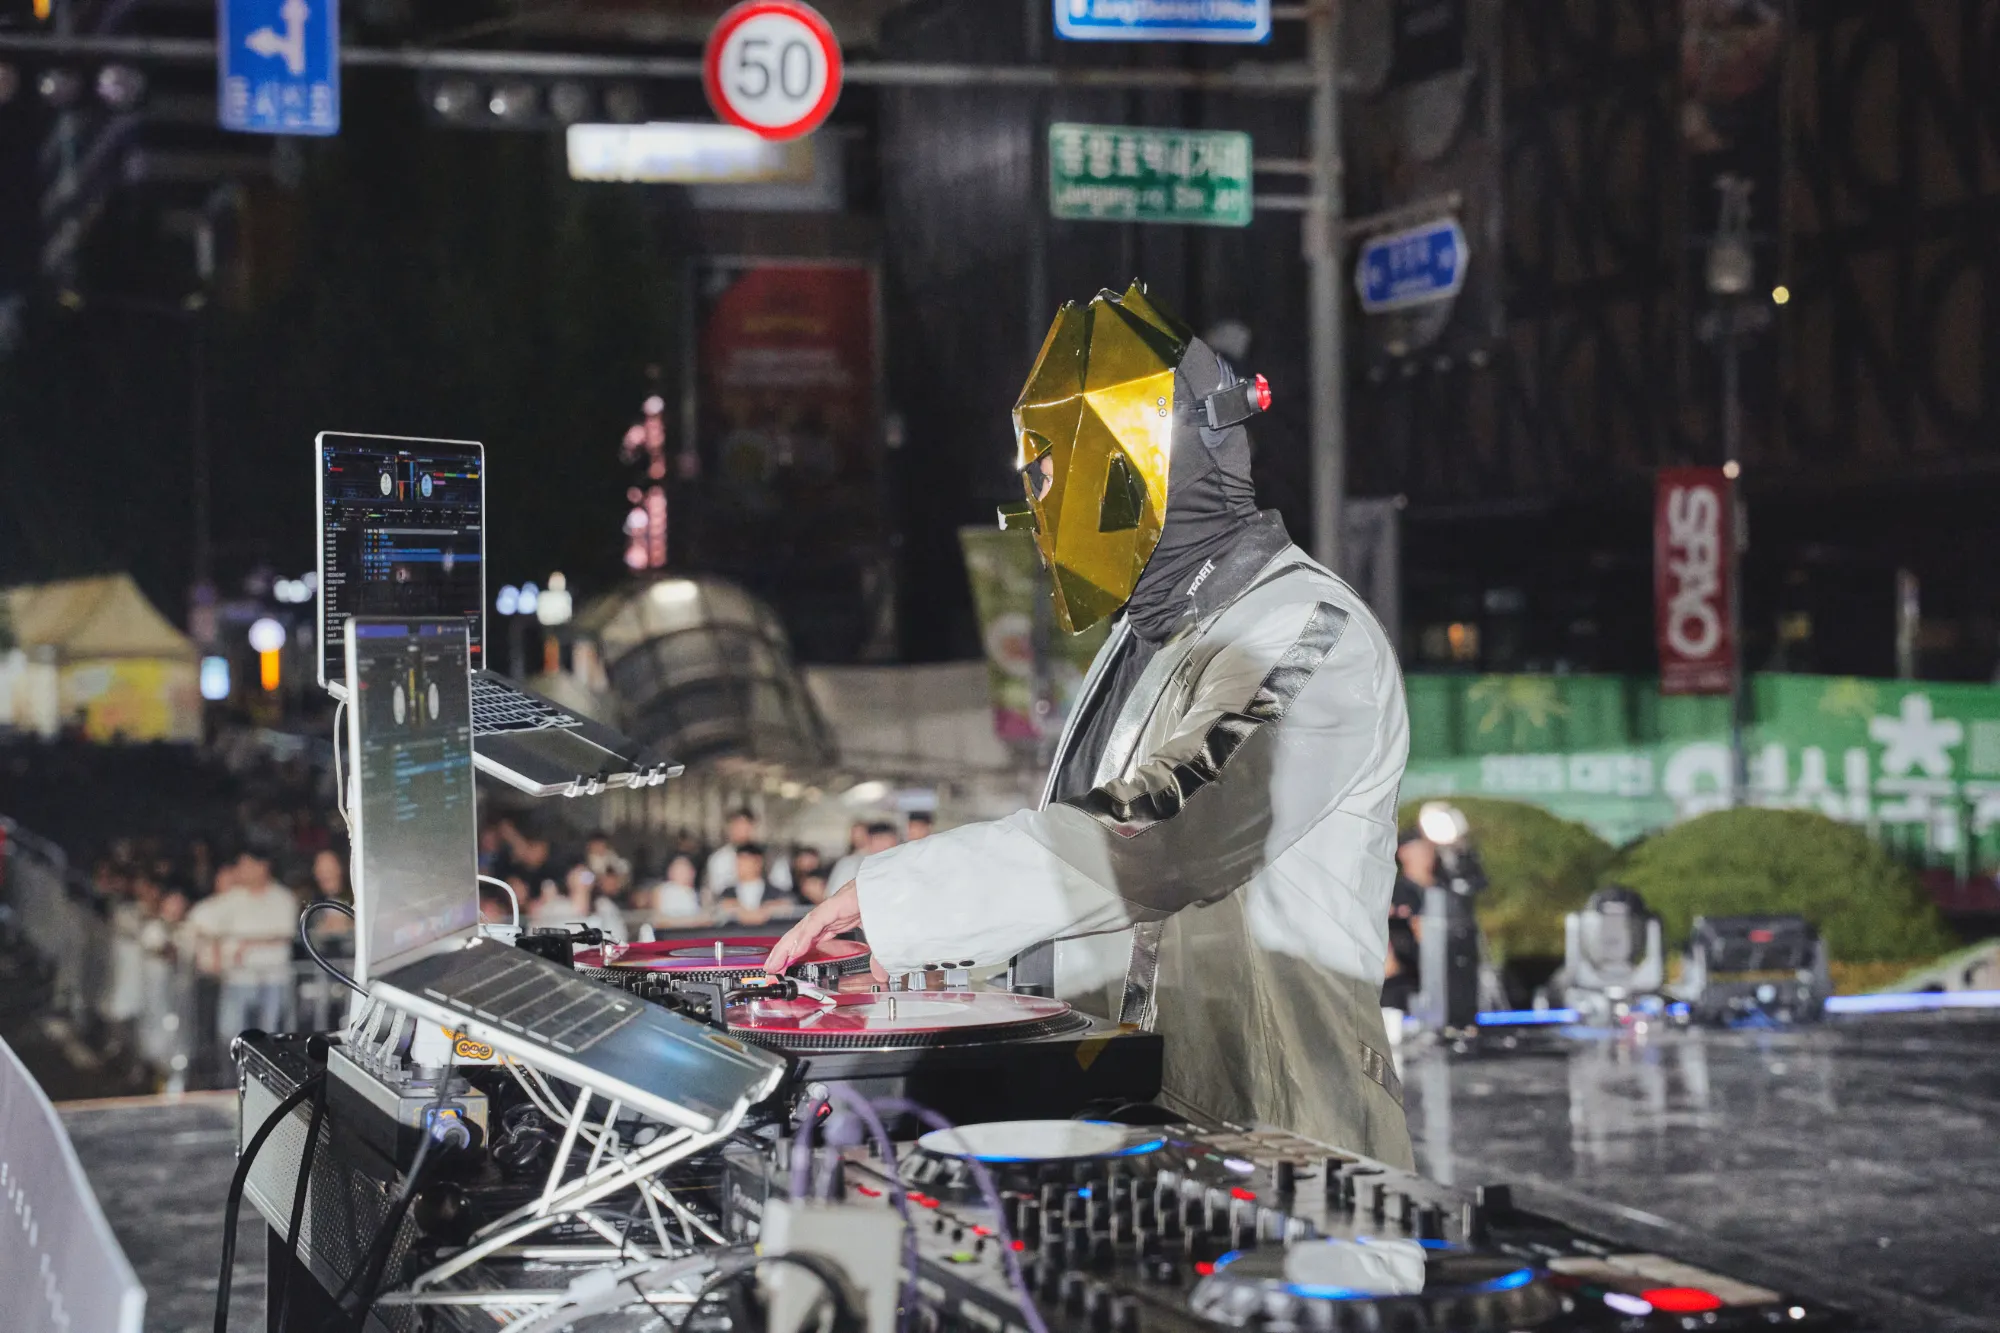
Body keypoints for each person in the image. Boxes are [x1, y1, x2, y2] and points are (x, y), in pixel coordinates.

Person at [769, 284, 1413, 1164]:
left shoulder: (1307, 633)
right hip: (1151, 1125)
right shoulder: (1148, 639)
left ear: (1124, 465)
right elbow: (1086, 876)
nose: (1035, 507)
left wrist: (904, 902)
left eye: (1045, 473)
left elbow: (1165, 836)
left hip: (1286, 1144)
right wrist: (937, 964)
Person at [185, 849, 301, 1039]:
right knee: (234, 1034)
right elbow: (201, 921)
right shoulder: (233, 898)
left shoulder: (283, 898)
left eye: (247, 866)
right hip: (239, 979)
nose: (241, 871)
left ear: (263, 866)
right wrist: (215, 949)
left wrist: (247, 944)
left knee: (271, 1035)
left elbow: (285, 934)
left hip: (275, 979)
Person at [1382, 833, 1434, 1013]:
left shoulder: (1442, 890)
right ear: (1403, 853)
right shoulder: (1395, 892)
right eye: (1419, 849)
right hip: (1404, 978)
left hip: (1441, 972)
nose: (1427, 853)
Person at [705, 808, 793, 896]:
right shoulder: (719, 859)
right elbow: (717, 889)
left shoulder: (772, 856)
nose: (741, 831)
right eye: (737, 826)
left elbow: (783, 886)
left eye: (745, 826)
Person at [713, 844, 797, 926]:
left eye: (745, 860)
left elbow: (789, 908)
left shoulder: (776, 893)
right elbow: (717, 912)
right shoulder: (727, 893)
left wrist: (769, 910)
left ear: (758, 861)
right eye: (738, 861)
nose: (739, 865)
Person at [825, 822, 899, 901]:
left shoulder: (897, 863)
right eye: (881, 839)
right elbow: (835, 895)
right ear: (869, 839)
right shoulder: (850, 863)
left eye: (889, 840)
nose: (885, 844)